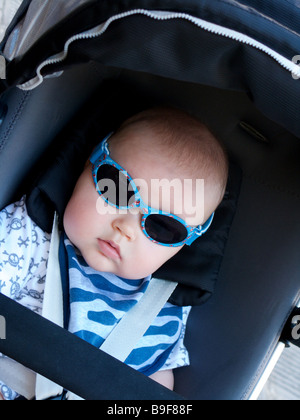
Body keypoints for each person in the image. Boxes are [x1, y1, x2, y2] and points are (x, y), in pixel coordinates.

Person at [0, 107, 228, 399]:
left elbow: (155, 381)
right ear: (89, 161)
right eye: (117, 190)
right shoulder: (29, 239)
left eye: (162, 227)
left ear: (185, 244)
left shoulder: (163, 310)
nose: (125, 228)